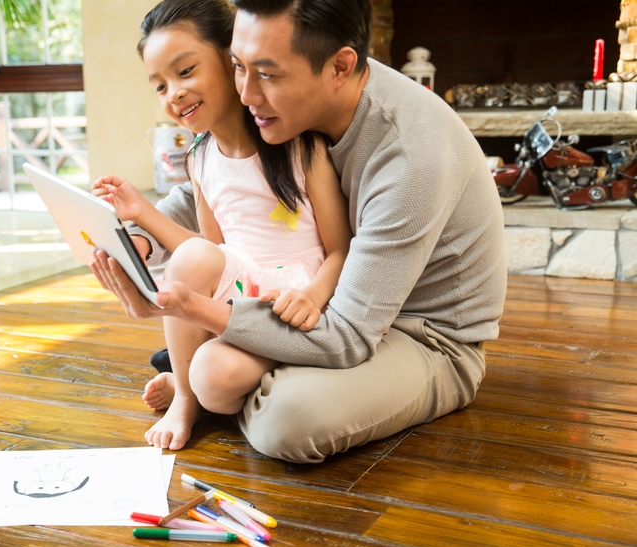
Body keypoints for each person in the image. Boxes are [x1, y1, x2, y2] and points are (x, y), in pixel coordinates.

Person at [92, 0, 506, 464]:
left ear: (340, 67)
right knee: (225, 371)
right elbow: (220, 188)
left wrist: (190, 309)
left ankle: (210, 382)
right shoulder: (287, 107)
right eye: (236, 67)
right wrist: (140, 240)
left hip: (418, 334)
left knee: (285, 422)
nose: (245, 94)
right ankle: (215, 378)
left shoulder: (411, 156)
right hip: (327, 309)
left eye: (266, 74)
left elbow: (347, 332)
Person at [91, 0, 352, 451]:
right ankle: (187, 400)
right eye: (160, 86)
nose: (173, 93)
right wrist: (140, 213)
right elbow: (210, 254)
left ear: (233, 61)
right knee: (194, 280)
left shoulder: (301, 148)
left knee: (213, 377)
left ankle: (190, 384)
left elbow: (341, 251)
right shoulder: (200, 157)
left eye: (185, 71)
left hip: (294, 299)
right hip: (239, 295)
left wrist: (312, 297)